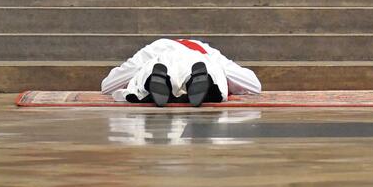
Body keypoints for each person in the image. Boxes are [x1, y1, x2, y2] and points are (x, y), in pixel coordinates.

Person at [101, 38, 262, 107]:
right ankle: (203, 84)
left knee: (148, 69)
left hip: (160, 61)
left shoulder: (154, 48)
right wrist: (222, 70)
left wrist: (136, 72)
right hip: (200, 63)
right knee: (214, 72)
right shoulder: (207, 51)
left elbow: (108, 86)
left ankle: (154, 81)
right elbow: (254, 86)